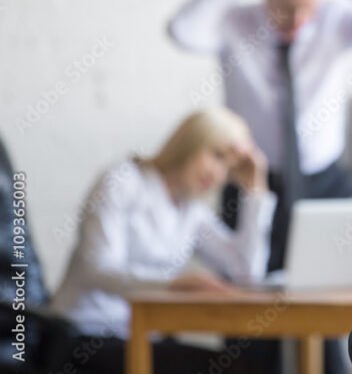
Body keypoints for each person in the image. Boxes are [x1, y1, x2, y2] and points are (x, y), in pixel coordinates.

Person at [168, 0, 352, 373]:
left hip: (323, 180)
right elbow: (182, 30)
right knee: (247, 313)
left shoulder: (337, 18)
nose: (297, 20)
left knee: (328, 303)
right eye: (286, 7)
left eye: (308, 7)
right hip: (251, 180)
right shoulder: (234, 20)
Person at [50, 108, 275, 374]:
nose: (218, 174)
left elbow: (247, 272)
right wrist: (172, 285)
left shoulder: (192, 211)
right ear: (190, 142)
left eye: (228, 167)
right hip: (87, 333)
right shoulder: (122, 181)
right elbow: (97, 269)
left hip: (143, 336)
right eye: (216, 156)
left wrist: (255, 192)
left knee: (243, 366)